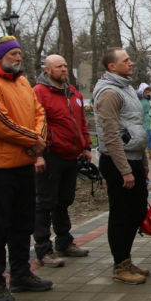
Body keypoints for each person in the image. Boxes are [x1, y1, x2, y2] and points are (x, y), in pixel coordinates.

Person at [0, 36, 52, 301]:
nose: (18, 57)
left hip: (23, 165)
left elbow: (39, 113)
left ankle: (21, 273)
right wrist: (34, 141)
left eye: (19, 53)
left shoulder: (23, 82)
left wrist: (38, 139)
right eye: (13, 53)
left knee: (23, 224)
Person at [93, 48, 150, 284]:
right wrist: (125, 170)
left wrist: (143, 160)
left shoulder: (126, 88)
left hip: (133, 159)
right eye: (126, 60)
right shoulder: (109, 93)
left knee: (137, 211)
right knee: (121, 214)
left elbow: (136, 126)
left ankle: (126, 258)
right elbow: (111, 136)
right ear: (112, 67)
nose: (131, 63)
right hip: (118, 162)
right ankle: (120, 265)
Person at [32, 54, 92, 268]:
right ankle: (43, 250)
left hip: (71, 155)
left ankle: (64, 242)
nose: (64, 69)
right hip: (50, 155)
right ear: (47, 70)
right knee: (44, 203)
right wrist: (38, 154)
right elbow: (34, 124)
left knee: (64, 200)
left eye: (65, 65)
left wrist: (86, 146)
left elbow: (81, 122)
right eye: (59, 66)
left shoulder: (73, 92)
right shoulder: (39, 92)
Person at [137, 82, 151, 159]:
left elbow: (149, 108)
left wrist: (150, 114)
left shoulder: (148, 99)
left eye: (148, 92)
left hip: (147, 121)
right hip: (140, 121)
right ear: (142, 91)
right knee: (142, 138)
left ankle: (150, 150)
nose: (147, 93)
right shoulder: (138, 99)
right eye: (146, 92)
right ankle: (141, 152)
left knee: (150, 136)